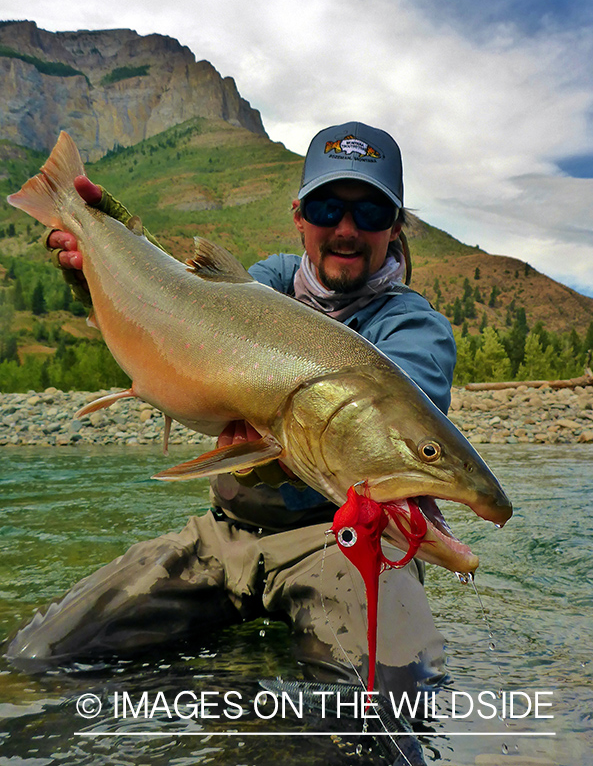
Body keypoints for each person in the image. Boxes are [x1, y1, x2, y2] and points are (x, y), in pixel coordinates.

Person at [6, 122, 456, 701]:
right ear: (299, 215)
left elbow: (384, 443)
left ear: (395, 227)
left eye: (370, 212)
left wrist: (279, 452)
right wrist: (111, 243)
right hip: (224, 533)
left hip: (341, 545)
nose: (346, 230)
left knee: (389, 698)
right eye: (327, 207)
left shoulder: (415, 328)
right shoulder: (266, 280)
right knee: (37, 656)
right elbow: (175, 311)